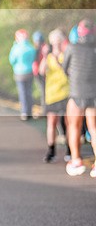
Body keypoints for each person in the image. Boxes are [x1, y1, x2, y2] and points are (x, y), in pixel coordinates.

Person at [61, 19, 96, 177]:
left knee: (74, 127)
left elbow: (65, 69)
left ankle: (76, 161)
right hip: (94, 94)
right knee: (94, 129)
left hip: (76, 93)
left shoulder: (72, 47)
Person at [39, 28, 70, 163]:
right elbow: (41, 71)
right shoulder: (49, 57)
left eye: (58, 42)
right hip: (52, 95)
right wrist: (46, 56)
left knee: (69, 123)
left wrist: (57, 58)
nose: (56, 45)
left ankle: (70, 149)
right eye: (54, 42)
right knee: (51, 122)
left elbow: (66, 71)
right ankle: (51, 150)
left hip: (66, 94)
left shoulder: (66, 55)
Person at [9, 29, 37, 121]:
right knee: (29, 92)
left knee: (22, 93)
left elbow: (12, 60)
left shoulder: (16, 48)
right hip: (29, 72)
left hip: (19, 73)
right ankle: (30, 111)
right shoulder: (30, 47)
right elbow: (34, 58)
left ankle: (24, 112)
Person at [32, 31, 48, 112]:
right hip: (41, 73)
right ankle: (45, 109)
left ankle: (45, 109)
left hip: (41, 73)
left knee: (43, 92)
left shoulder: (38, 49)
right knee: (44, 91)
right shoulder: (45, 47)